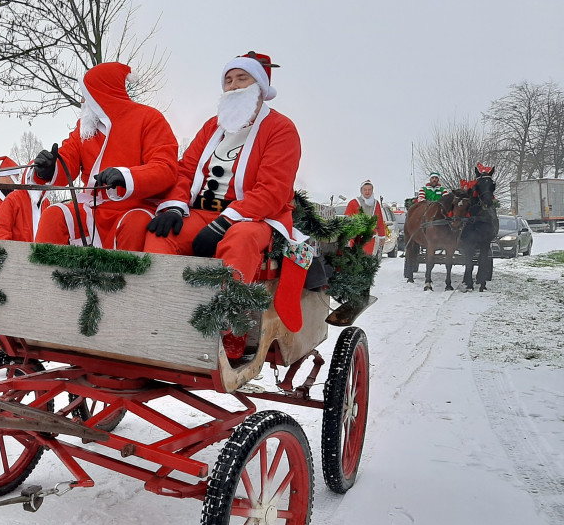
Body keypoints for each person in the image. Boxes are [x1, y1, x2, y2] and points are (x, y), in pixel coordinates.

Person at [144, 51, 311, 338]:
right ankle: (163, 312)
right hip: (202, 211)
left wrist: (223, 223)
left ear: (259, 87)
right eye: (228, 80)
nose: (233, 86)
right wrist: (174, 207)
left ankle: (231, 330)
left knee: (240, 240)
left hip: (254, 218)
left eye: (241, 79)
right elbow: (186, 171)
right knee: (161, 234)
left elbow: (272, 191)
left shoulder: (281, 129)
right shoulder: (212, 127)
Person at [31, 62, 178, 250]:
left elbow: (165, 167)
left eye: (86, 95)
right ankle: (43, 277)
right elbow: (68, 158)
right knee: (54, 215)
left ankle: (126, 280)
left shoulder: (149, 118)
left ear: (101, 93)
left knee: (136, 223)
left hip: (133, 208)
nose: (82, 102)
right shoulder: (85, 127)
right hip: (91, 209)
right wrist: (49, 168)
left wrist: (126, 176)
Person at [0, 164, 52, 242]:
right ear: (27, 177)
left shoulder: (46, 203)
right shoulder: (13, 200)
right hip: (17, 251)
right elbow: (3, 232)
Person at [344, 180, 387, 257]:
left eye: (369, 189)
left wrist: (382, 236)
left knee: (368, 262)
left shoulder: (376, 204)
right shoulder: (353, 203)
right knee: (357, 262)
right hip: (356, 239)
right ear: (361, 191)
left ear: (372, 190)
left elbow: (379, 221)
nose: (367, 192)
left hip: (371, 240)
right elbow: (347, 220)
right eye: (365, 189)